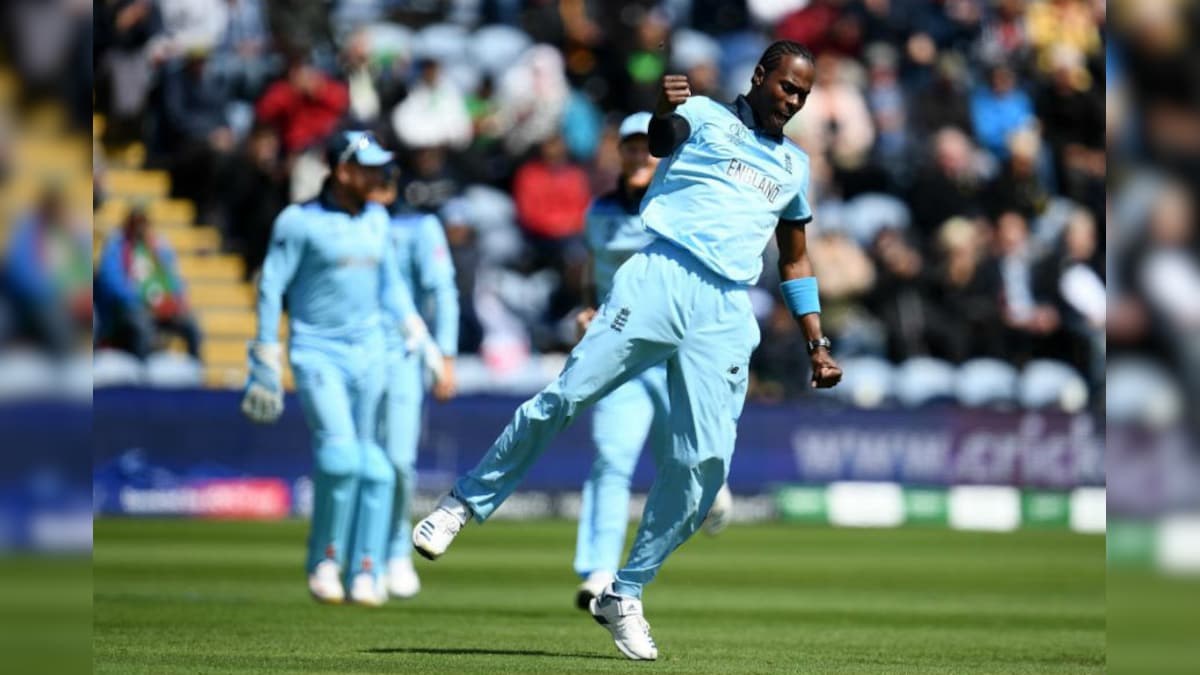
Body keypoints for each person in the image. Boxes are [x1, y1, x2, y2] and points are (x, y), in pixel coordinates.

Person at [412, 40, 842, 660]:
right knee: (563, 398)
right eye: (787, 87)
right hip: (660, 276)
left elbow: (795, 257)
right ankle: (462, 504)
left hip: (726, 309)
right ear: (759, 76)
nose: (794, 100)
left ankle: (627, 590)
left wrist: (816, 344)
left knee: (704, 471)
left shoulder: (794, 166)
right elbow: (664, 140)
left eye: (803, 93)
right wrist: (665, 109)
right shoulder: (704, 115)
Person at [240, 131, 435, 607]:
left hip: (369, 351)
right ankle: (325, 560)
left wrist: (418, 333)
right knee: (341, 457)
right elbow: (271, 286)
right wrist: (265, 352)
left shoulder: (376, 218)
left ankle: (365, 568)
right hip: (316, 350)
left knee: (377, 468)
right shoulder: (299, 221)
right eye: (368, 167)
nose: (379, 176)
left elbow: (389, 285)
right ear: (343, 171)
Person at [571, 111, 732, 610]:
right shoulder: (599, 212)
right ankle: (598, 569)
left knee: (687, 459)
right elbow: (593, 275)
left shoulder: (681, 205)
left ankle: (711, 489)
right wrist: (588, 311)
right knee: (612, 459)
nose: (640, 154)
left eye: (648, 146)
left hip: (676, 353)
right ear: (620, 151)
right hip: (620, 351)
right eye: (631, 146)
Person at [370, 175, 459, 600]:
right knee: (357, 460)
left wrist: (445, 354)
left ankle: (394, 551)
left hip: (404, 353)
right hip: (353, 352)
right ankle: (360, 554)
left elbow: (442, 290)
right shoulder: (348, 222)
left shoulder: (419, 226)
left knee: (399, 461)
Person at [95, 202, 202, 359]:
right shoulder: (117, 246)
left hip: (161, 307)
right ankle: (143, 380)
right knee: (143, 327)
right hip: (130, 308)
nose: (140, 226)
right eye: (136, 221)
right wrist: (144, 300)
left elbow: (174, 279)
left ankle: (196, 373)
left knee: (191, 326)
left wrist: (174, 301)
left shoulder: (158, 247)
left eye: (143, 221)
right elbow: (111, 282)